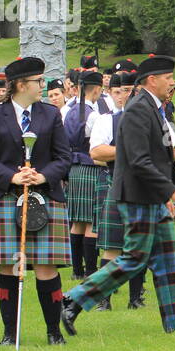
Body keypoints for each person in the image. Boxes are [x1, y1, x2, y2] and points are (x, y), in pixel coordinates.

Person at [60, 55, 175, 335]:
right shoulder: (140, 109)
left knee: (167, 258)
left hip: (149, 194)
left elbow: (160, 155)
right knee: (134, 257)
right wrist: (172, 191)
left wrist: (170, 189)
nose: (172, 83)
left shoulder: (153, 107)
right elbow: (139, 161)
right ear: (152, 80)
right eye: (168, 78)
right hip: (137, 194)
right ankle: (73, 299)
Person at [0, 57, 73, 345]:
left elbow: (64, 157)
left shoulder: (50, 114)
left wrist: (40, 176)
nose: (43, 86)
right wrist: (12, 178)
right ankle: (9, 333)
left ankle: (54, 332)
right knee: (9, 264)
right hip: (4, 197)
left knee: (46, 265)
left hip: (44, 195)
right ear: (20, 85)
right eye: (38, 82)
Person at [87, 70, 148, 309]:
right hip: (117, 185)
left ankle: (135, 299)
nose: (123, 96)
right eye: (117, 91)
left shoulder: (151, 118)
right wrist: (132, 152)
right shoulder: (105, 120)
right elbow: (96, 152)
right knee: (112, 247)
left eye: (128, 91)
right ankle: (104, 299)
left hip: (142, 189)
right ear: (110, 94)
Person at [63, 70, 106, 279]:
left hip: (73, 168)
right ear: (97, 89)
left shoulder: (67, 111)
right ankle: (90, 271)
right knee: (90, 221)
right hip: (90, 167)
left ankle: (76, 270)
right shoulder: (95, 116)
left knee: (77, 222)